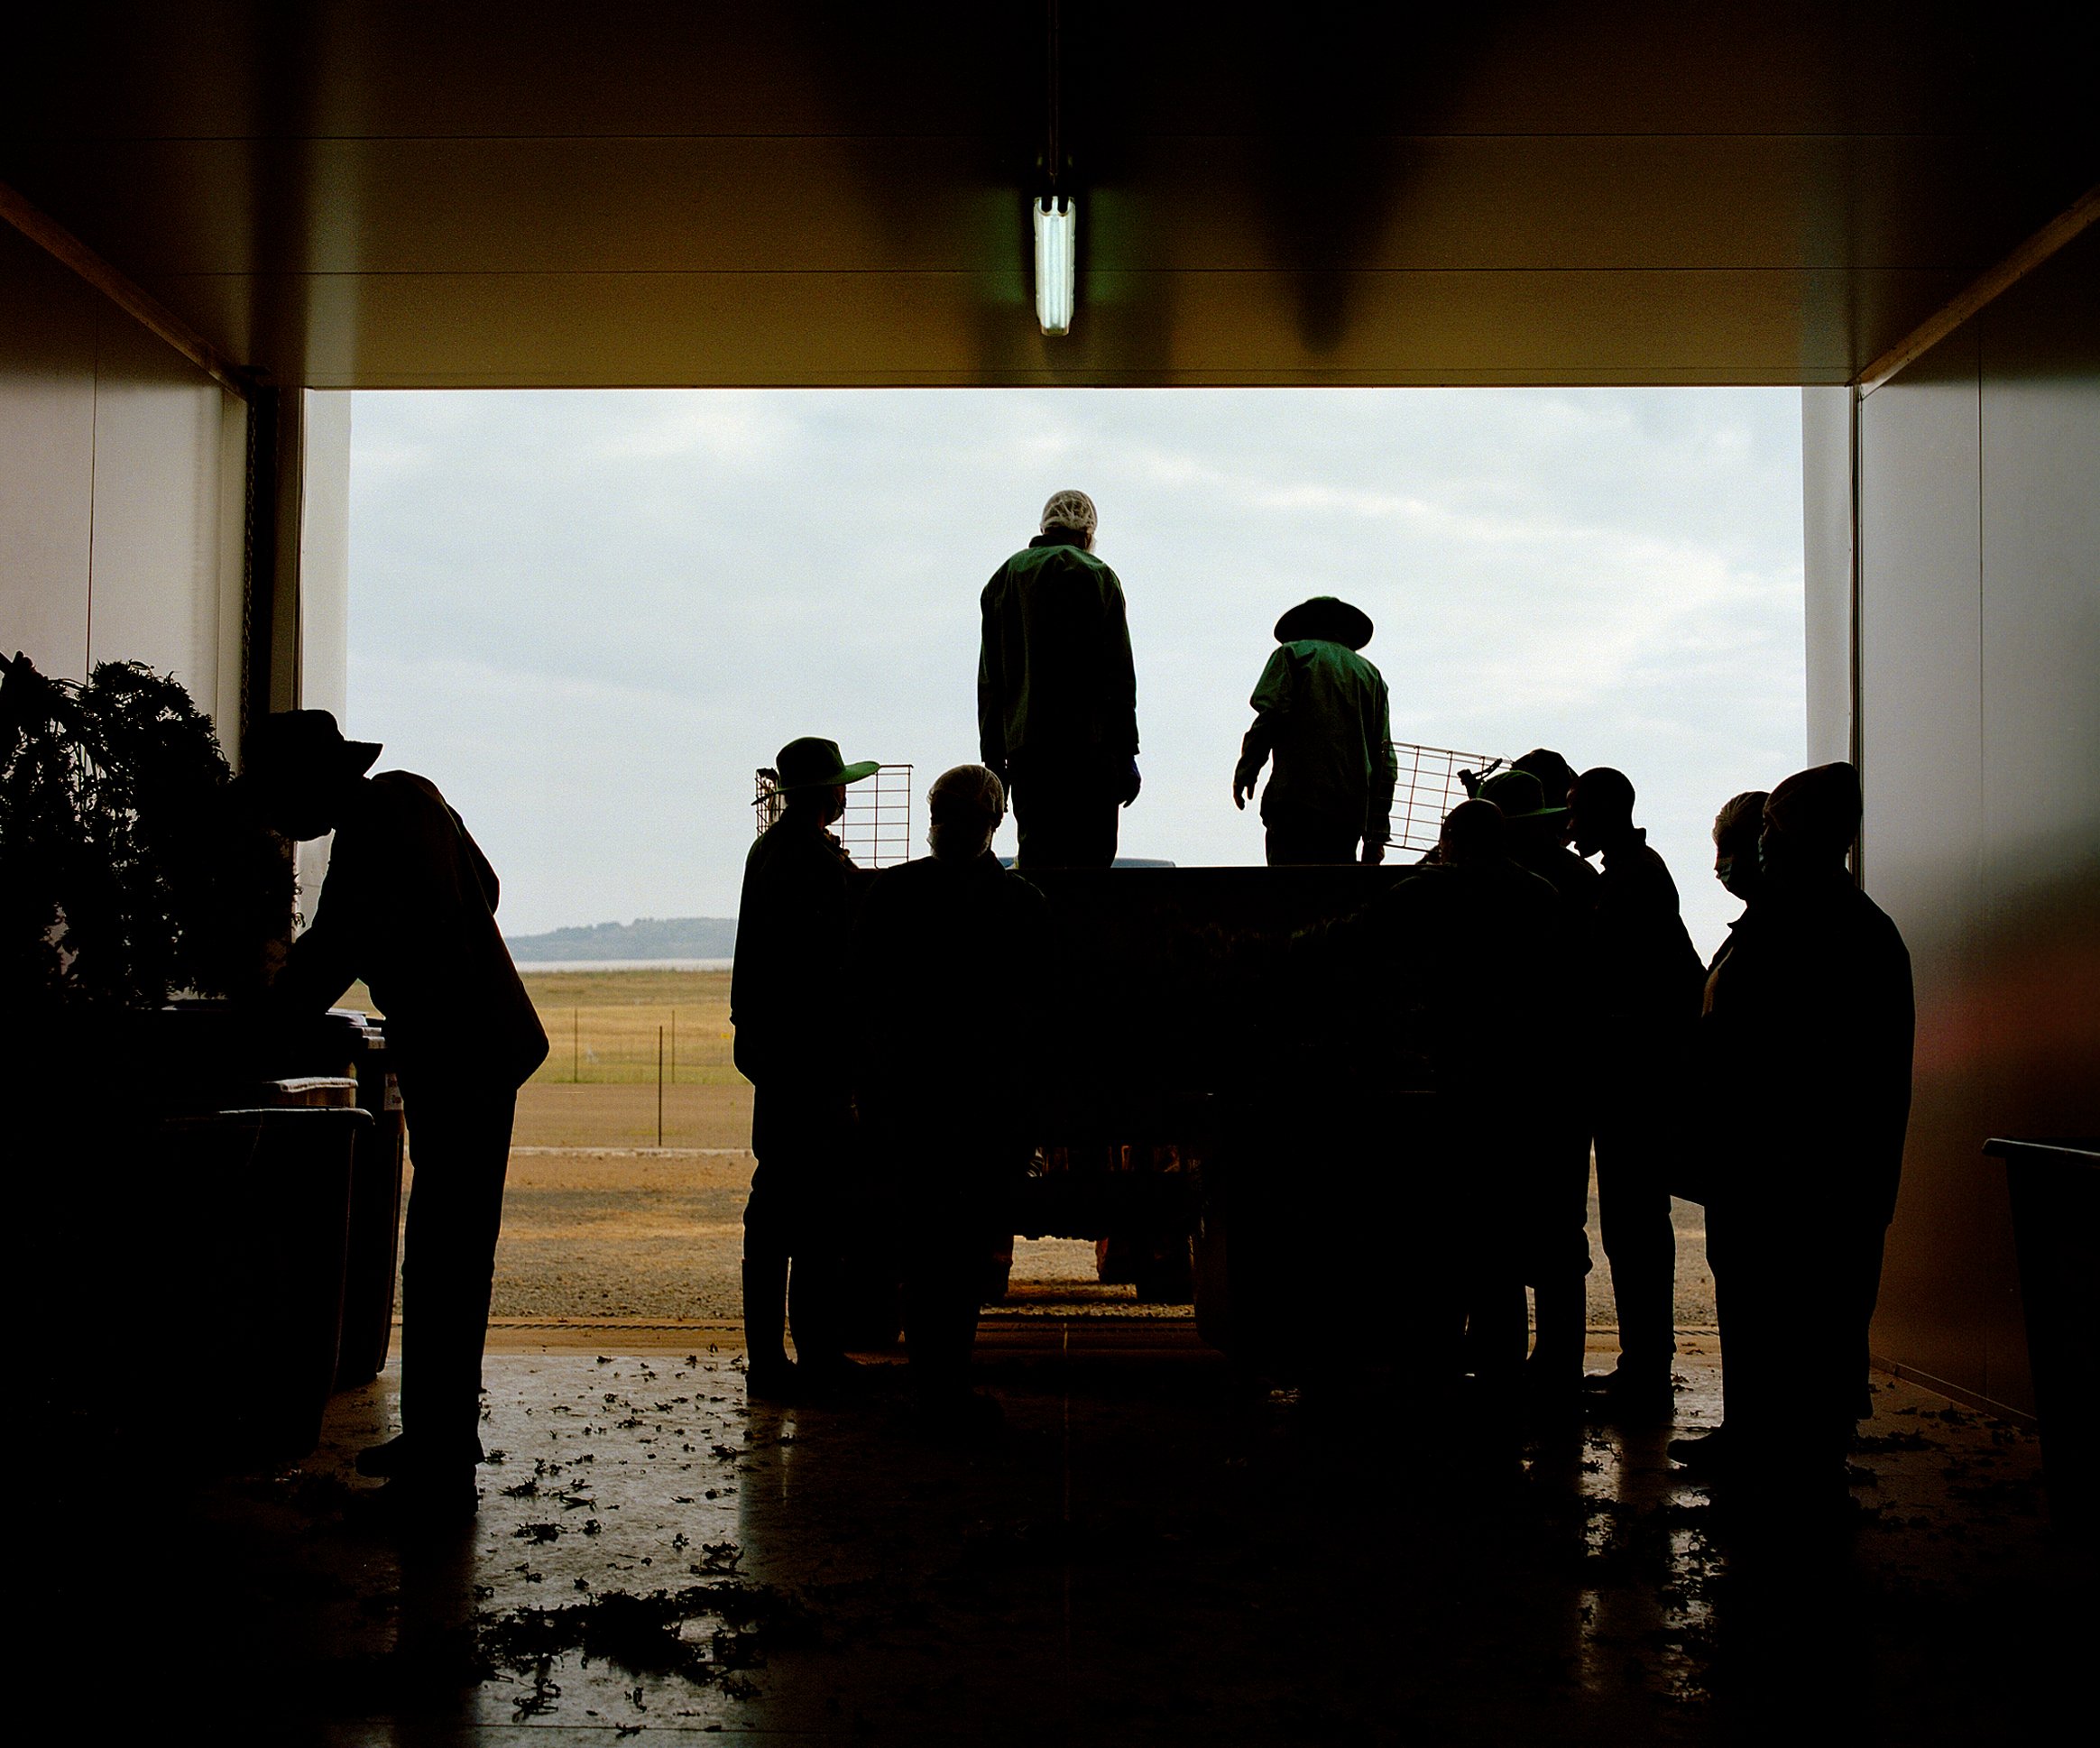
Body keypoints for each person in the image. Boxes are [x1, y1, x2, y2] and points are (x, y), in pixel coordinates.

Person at [250, 710, 548, 1515]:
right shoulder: (412, 800)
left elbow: (336, 947)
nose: (282, 820)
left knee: (446, 1254)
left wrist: (269, 1019)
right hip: (483, 1046)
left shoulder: (377, 826)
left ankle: (443, 1460)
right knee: (451, 1251)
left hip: (462, 1054)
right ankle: (440, 1440)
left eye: (282, 799)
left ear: (314, 784)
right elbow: (483, 889)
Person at [1693, 765, 1912, 1512]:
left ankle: (1802, 1474)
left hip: (1797, 1172)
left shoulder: (1823, 930)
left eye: (1769, 833)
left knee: (1805, 1319)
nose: (1759, 849)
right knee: (1785, 1314)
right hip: (1780, 1168)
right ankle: (1771, 1451)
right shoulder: (1824, 922)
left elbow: (1783, 1059)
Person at [1309, 800, 1566, 1438]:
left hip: (1455, 1082)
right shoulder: (1539, 895)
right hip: (1525, 1091)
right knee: (1503, 1248)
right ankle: (1504, 1379)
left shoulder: (1432, 891)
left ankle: (1435, 1378)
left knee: (1443, 1240)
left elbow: (1349, 937)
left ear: (1450, 840)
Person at [850, 765, 1053, 1431]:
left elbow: (868, 1008)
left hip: (916, 1104)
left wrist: (874, 1094)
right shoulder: (1022, 905)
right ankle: (947, 1386)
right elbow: (1036, 1020)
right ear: (999, 823)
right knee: (962, 1254)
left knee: (924, 1248)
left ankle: (932, 1384)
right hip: (986, 1109)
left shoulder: (894, 896)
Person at [732, 736, 880, 1400]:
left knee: (778, 1209)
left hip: (776, 1055)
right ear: (826, 794)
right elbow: (841, 964)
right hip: (812, 1058)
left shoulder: (768, 852)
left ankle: (774, 1359)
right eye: (840, 785)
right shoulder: (817, 864)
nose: (846, 794)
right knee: (816, 1214)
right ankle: (810, 1356)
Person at [1568, 765, 1705, 1415]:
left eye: (1575, 810)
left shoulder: (1627, 881)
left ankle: (1645, 1372)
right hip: (1643, 1077)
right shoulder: (1637, 871)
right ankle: (1643, 1367)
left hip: (1633, 1081)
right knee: (1636, 1226)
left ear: (1601, 812)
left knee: (1634, 1227)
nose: (1570, 825)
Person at [1476, 767, 1599, 1407]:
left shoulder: (1480, 884)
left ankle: (1499, 1367)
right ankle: (1557, 1368)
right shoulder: (1580, 882)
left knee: (1492, 1229)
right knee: (1558, 1233)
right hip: (1563, 1079)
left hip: (1497, 1078)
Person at [1668, 788, 1768, 1474]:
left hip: (1765, 1158)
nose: (1720, 866)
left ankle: (1762, 1442)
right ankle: (1755, 1432)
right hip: (1752, 1156)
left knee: (1762, 1302)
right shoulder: (1766, 928)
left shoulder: (1785, 935)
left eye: (1728, 848)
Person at [978, 489, 1141, 868]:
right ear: (1088, 535)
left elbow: (991, 680)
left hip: (1027, 753)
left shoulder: (1002, 580)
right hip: (1090, 750)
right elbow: (1118, 675)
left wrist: (993, 759)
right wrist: (1127, 753)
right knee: (1091, 864)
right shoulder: (1098, 576)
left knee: (1038, 861)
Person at [1232, 595, 1395, 865]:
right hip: (1348, 815)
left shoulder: (1292, 654)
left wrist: (1247, 769)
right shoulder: (1372, 676)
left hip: (1294, 804)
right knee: (1336, 899)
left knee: (1289, 897)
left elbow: (1270, 717)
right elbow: (1385, 761)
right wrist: (1376, 836)